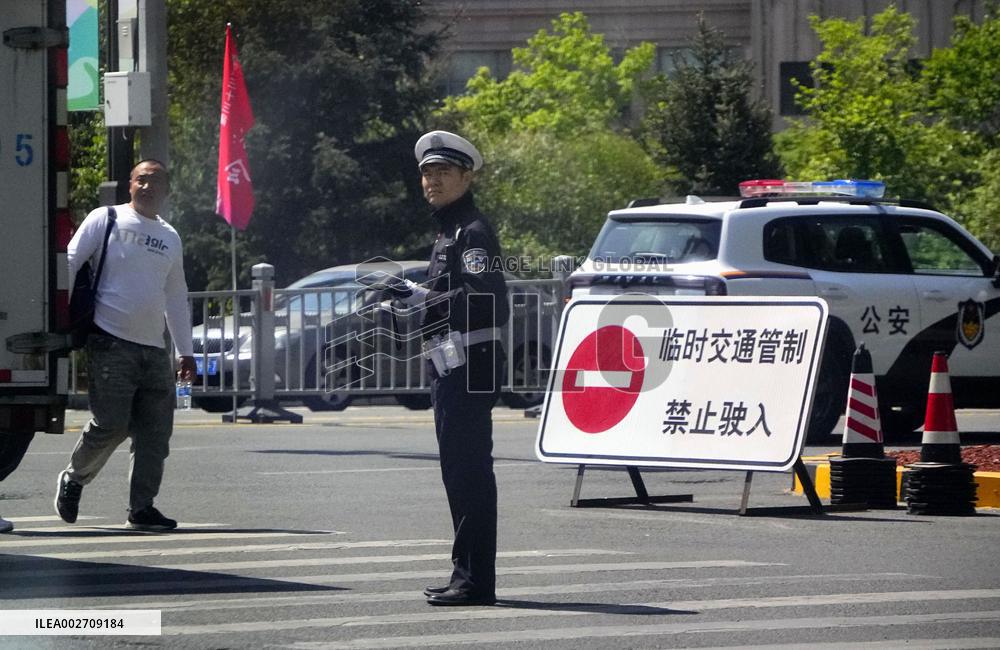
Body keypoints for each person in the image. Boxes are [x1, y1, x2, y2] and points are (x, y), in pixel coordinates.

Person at [393, 131, 509, 606]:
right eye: (427, 172)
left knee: (468, 474)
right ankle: (466, 574)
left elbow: (489, 301)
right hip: (453, 362)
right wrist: (413, 299)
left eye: (443, 171)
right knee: (458, 472)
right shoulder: (449, 230)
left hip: (471, 365)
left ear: (466, 176)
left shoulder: (471, 231)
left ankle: (475, 581)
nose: (432, 179)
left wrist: (424, 297)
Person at [55, 159, 195, 531]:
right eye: (141, 180)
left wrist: (185, 351)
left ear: (167, 190)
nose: (148, 187)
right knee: (111, 425)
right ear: (130, 185)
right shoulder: (107, 218)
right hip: (110, 340)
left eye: (156, 181)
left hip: (153, 349)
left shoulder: (170, 237)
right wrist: (56, 315)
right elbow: (71, 260)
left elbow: (176, 295)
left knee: (155, 434)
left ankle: (142, 508)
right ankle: (73, 478)